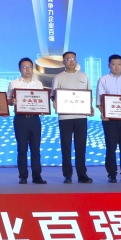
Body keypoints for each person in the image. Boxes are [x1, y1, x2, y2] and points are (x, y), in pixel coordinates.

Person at [51, 51, 93, 184]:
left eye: (73, 58)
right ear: (63, 61)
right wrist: (55, 103)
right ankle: (67, 175)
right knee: (66, 147)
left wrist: (90, 107)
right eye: (68, 59)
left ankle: (82, 174)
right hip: (65, 118)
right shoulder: (58, 77)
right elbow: (53, 96)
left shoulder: (83, 76)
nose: (71, 61)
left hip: (81, 117)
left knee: (81, 147)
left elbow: (88, 95)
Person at [96, 54, 121, 183]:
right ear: (109, 65)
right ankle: (111, 174)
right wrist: (104, 113)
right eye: (113, 64)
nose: (116, 66)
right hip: (110, 120)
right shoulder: (103, 80)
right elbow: (99, 101)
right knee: (111, 147)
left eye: (119, 64)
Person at [7, 58, 46, 184]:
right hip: (21, 119)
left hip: (35, 119)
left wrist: (43, 108)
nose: (27, 69)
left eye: (29, 66)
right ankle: (23, 176)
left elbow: (42, 100)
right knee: (22, 149)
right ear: (20, 69)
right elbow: (8, 100)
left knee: (35, 148)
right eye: (24, 67)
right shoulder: (14, 84)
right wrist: (12, 101)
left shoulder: (38, 84)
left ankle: (37, 176)